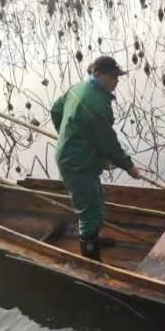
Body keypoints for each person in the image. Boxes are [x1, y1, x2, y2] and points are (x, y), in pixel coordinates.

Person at [51, 56, 141, 261]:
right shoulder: (97, 104)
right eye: (113, 76)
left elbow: (56, 110)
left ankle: (93, 239)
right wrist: (128, 166)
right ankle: (91, 258)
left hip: (79, 156)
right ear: (98, 74)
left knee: (96, 198)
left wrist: (66, 134)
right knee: (89, 210)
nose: (116, 81)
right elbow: (108, 141)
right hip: (77, 163)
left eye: (118, 76)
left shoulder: (77, 88)